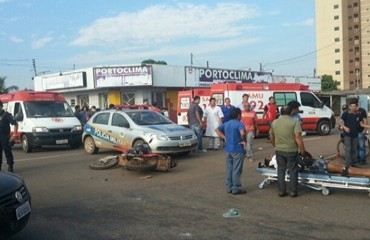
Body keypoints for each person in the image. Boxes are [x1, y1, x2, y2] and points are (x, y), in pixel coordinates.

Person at [269, 105, 306, 198]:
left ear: (281, 112)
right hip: (291, 150)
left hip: (279, 150)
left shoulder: (274, 123)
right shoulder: (294, 122)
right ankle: (293, 191)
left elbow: (271, 136)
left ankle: (281, 191)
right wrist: (302, 150)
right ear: (291, 112)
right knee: (293, 170)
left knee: (281, 170)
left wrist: (275, 145)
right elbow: (297, 137)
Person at [215, 108, 247, 195]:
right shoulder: (240, 124)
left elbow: (217, 129)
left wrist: (224, 137)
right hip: (238, 149)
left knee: (230, 169)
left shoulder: (226, 124)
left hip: (228, 149)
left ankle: (229, 187)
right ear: (238, 115)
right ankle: (236, 188)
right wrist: (244, 140)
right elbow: (242, 133)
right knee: (236, 169)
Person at [264, 154, 370, 178]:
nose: (270, 155)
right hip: (312, 166)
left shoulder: (278, 158)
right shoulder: (275, 161)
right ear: (269, 160)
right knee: (340, 168)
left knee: (340, 167)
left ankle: (366, 172)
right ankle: (366, 172)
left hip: (312, 163)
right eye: (268, 156)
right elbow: (288, 165)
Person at [338, 99, 370, 168]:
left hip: (355, 135)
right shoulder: (345, 113)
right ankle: (348, 164)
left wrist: (368, 127)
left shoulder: (358, 115)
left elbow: (361, 124)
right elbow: (340, 122)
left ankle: (353, 163)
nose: (353, 107)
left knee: (354, 150)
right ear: (349, 107)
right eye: (351, 106)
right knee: (348, 149)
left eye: (354, 106)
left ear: (356, 107)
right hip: (347, 135)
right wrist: (345, 128)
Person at [0, 101, 18, 172]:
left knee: (7, 152)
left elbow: (15, 124)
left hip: (5, 136)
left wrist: (14, 134)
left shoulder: (6, 115)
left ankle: (10, 166)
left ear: (1, 106)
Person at [353, 98, 368, 165]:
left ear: (357, 104)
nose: (353, 106)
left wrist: (365, 129)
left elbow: (365, 120)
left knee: (361, 146)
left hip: (361, 131)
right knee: (355, 146)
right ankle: (357, 159)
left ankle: (362, 159)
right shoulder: (351, 111)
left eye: (354, 105)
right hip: (353, 132)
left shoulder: (362, 111)